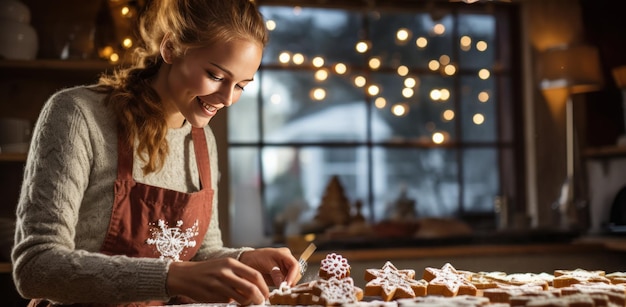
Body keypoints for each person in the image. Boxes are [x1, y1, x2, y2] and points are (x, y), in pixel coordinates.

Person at [11, 0, 301, 305]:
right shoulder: (78, 115)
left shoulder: (202, 139)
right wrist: (171, 276)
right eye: (216, 76)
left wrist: (244, 259)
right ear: (171, 48)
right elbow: (35, 267)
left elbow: (201, 252)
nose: (228, 99)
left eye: (241, 85)